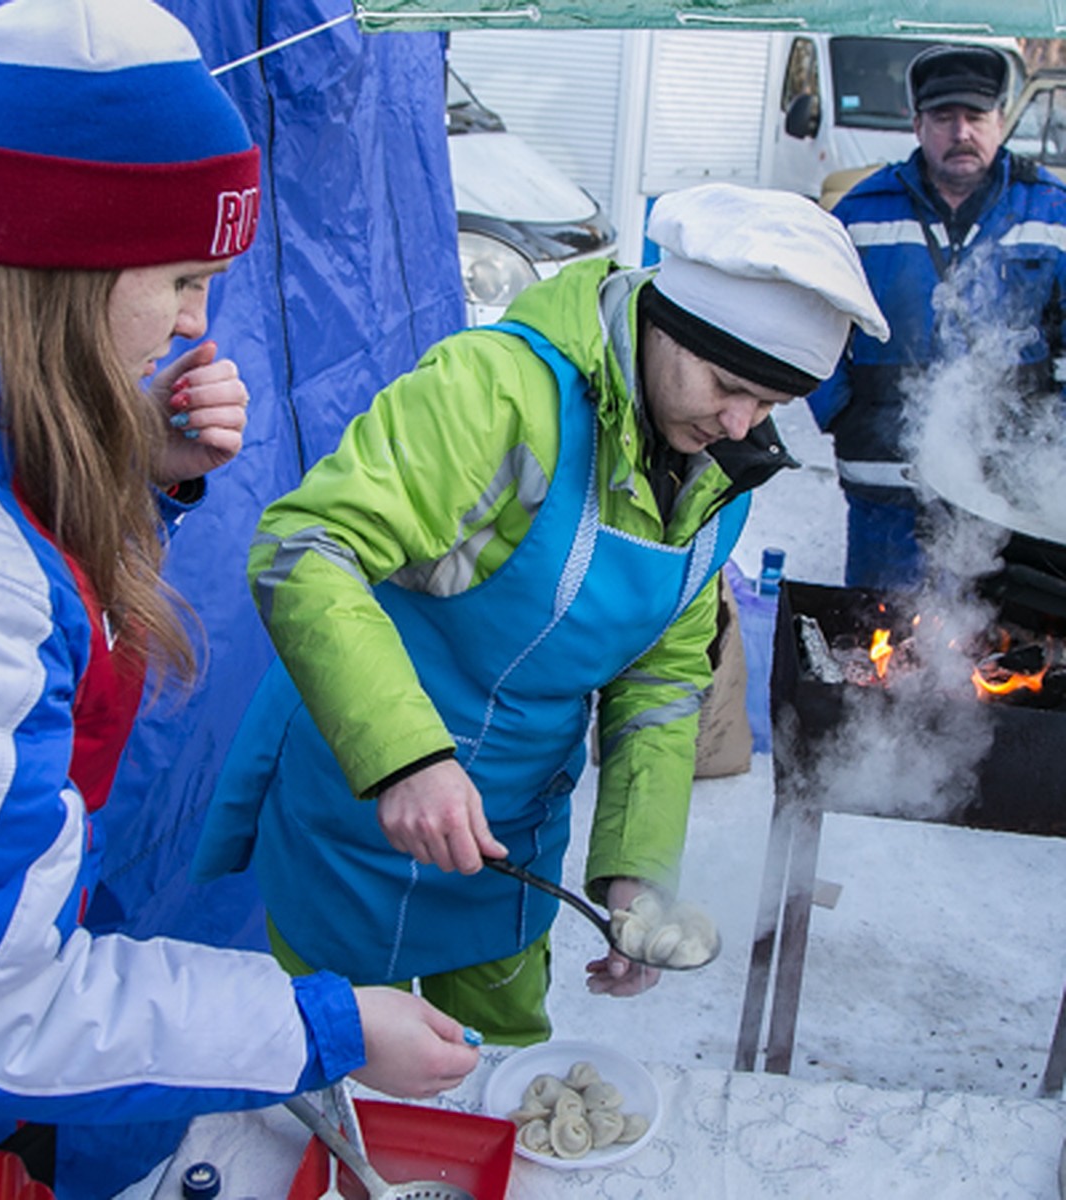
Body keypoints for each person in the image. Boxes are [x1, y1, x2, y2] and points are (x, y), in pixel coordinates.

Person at [0, 0, 479, 1175]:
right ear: (68, 255)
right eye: (188, 278)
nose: (200, 322)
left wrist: (128, 473)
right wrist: (329, 1027)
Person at [194, 183, 889, 1045]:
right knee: (343, 1066)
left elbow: (664, 682)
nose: (741, 423)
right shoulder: (498, 394)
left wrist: (638, 878)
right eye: (726, 384)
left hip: (512, 842)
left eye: (773, 406)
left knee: (497, 1075)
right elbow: (305, 549)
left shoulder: (721, 470)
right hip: (360, 798)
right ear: (665, 324)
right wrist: (404, 759)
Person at [807, 42, 1066, 590]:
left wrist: (1053, 437)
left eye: (975, 116)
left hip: (1009, 495)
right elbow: (809, 326)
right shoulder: (860, 212)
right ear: (917, 123)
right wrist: (839, 414)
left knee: (993, 653)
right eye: (944, 118)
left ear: (1001, 120)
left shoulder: (1051, 210)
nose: (961, 132)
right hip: (885, 481)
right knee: (880, 642)